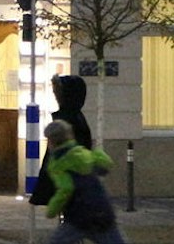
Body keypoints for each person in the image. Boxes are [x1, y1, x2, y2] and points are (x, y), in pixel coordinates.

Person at [38, 118, 122, 244]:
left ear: (51, 142)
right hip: (102, 212)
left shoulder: (58, 163)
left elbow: (66, 189)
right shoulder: (83, 153)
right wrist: (97, 154)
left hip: (78, 217)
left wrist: (52, 209)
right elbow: (106, 163)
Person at [31, 74, 95, 210]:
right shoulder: (75, 117)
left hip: (68, 180)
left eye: (57, 93)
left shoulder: (68, 120)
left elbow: (61, 153)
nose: (55, 96)